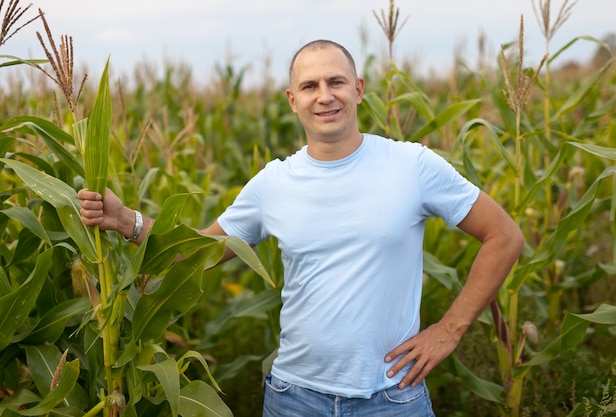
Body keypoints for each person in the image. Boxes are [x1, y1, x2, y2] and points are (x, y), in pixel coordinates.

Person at [78, 39, 524, 416]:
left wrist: (450, 329)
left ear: (359, 89)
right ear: (293, 100)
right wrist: (126, 221)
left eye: (336, 82)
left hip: (392, 399)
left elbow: (504, 236)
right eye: (309, 86)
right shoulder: (274, 182)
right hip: (295, 399)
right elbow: (200, 251)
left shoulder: (413, 165)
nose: (324, 96)